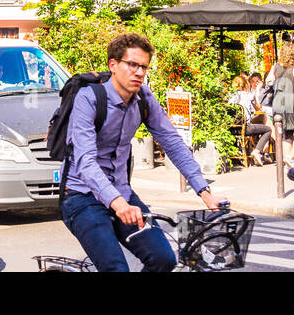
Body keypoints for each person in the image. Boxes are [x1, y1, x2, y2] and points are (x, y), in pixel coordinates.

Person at [60, 33, 223, 272]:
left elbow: (172, 143)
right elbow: (85, 161)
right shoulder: (89, 99)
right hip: (80, 195)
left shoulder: (143, 99)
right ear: (113, 65)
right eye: (132, 65)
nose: (139, 72)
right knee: (115, 268)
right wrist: (117, 203)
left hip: (121, 192)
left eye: (144, 67)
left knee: (163, 259)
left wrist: (205, 192)